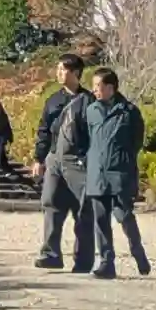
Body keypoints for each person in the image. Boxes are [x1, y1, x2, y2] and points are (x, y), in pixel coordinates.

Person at [80, 68, 152, 279]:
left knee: (123, 215)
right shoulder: (91, 111)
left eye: (98, 86)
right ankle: (106, 262)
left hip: (120, 172)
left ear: (111, 88)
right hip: (97, 172)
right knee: (100, 219)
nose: (94, 90)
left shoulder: (129, 112)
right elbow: (87, 138)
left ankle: (137, 251)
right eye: (93, 86)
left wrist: (122, 158)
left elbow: (136, 141)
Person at [33, 54, 94, 273]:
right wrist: (38, 159)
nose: (59, 73)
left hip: (78, 160)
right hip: (54, 158)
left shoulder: (89, 101)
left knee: (83, 209)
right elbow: (43, 131)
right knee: (50, 203)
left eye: (63, 69)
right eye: (57, 69)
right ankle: (51, 254)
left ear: (76, 73)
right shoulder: (53, 100)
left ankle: (84, 260)